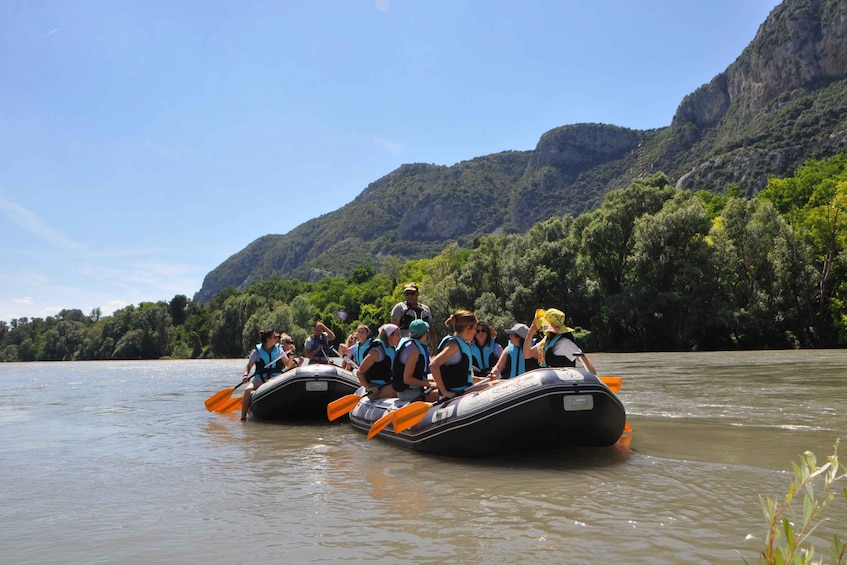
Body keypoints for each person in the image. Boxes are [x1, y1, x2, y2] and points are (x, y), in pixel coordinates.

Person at [240, 329, 298, 421]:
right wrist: (245, 375)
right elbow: (248, 366)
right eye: (275, 337)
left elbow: (288, 364)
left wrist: (291, 353)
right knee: (247, 390)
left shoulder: (278, 349)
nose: (277, 339)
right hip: (260, 379)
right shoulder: (257, 352)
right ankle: (243, 417)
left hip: (275, 378)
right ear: (268, 339)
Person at [523, 308, 596, 374]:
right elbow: (527, 354)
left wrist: (594, 378)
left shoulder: (564, 343)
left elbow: (584, 359)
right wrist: (531, 331)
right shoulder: (546, 342)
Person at [429, 310, 478, 399]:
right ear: (467, 328)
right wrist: (444, 392)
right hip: (457, 393)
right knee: (493, 385)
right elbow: (433, 365)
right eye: (475, 328)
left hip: (463, 389)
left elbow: (462, 375)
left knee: (494, 382)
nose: (476, 332)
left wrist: (484, 379)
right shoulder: (453, 345)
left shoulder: (458, 343)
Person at [392, 319, 439, 403]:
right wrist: (428, 384)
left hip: (410, 389)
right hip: (408, 393)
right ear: (425, 334)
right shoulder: (414, 350)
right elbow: (407, 379)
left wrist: (428, 382)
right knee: (442, 393)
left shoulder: (407, 343)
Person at [356, 323, 401, 399]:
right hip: (375, 388)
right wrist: (368, 388)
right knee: (398, 390)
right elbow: (359, 372)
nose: (400, 337)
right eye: (398, 334)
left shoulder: (392, 349)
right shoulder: (377, 351)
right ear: (390, 335)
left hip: (387, 385)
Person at [391, 283, 437, 351]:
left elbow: (431, 331)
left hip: (422, 346)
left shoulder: (425, 309)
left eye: (412, 293)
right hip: (405, 346)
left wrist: (434, 348)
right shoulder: (400, 308)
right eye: (407, 294)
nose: (409, 296)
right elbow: (393, 329)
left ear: (418, 293)